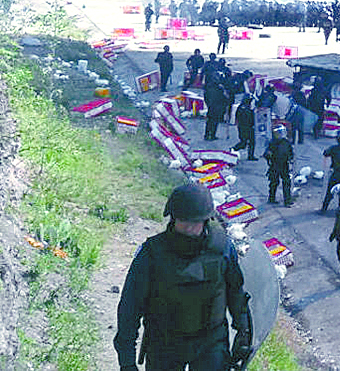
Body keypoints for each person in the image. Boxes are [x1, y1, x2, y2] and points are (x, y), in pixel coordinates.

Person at [114, 183, 252, 371]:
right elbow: (130, 306)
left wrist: (243, 330)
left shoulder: (222, 249)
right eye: (183, 221)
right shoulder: (152, 253)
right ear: (173, 218)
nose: (188, 227)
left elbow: (235, 291)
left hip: (211, 341)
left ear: (206, 220)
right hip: (164, 342)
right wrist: (127, 361)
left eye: (195, 222)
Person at [264, 126, 294, 206]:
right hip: (275, 165)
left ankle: (287, 200)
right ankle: (271, 198)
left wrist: (291, 159)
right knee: (274, 182)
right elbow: (266, 153)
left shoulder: (286, 142)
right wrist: (268, 155)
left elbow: (290, 152)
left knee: (286, 182)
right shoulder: (273, 143)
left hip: (284, 165)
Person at [234, 96, 256, 161]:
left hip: (242, 127)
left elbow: (236, 116)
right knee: (250, 142)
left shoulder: (240, 107)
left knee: (245, 141)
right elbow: (250, 118)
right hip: (248, 127)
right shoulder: (248, 109)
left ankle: (234, 149)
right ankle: (234, 149)